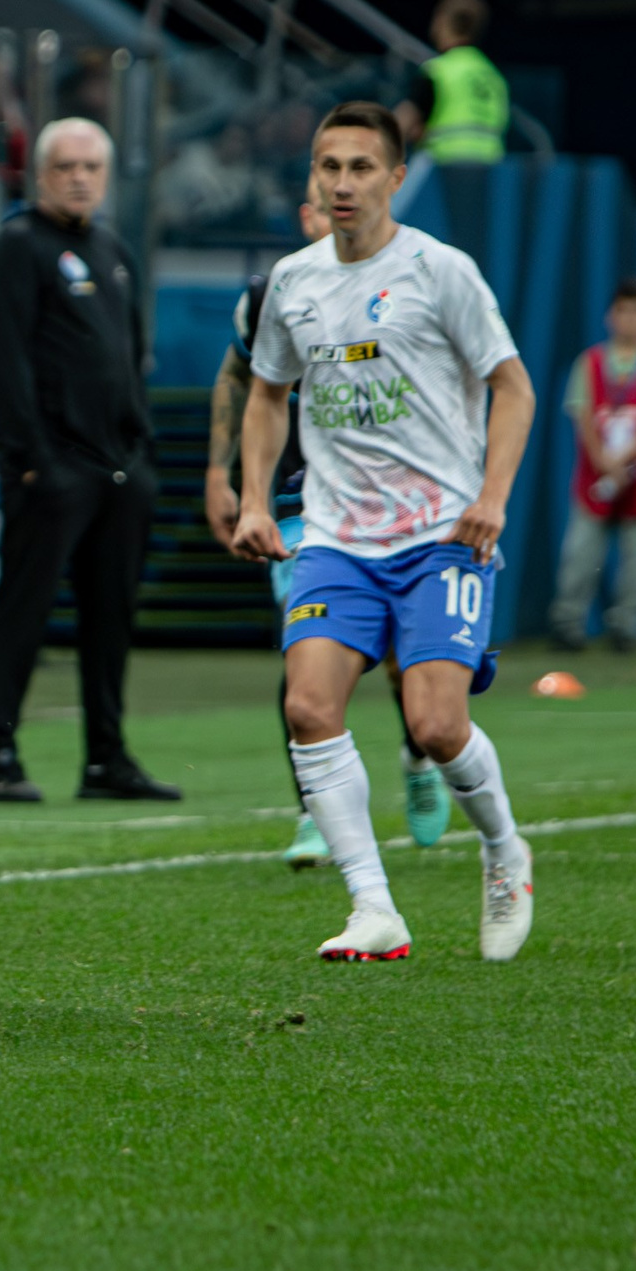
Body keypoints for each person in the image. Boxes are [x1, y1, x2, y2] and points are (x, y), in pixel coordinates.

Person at [231, 101, 538, 963]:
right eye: (328, 166)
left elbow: (513, 388)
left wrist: (493, 496)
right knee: (307, 705)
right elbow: (266, 393)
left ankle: (504, 849)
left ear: (396, 178)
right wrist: (255, 499)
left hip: (443, 533)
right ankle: (375, 906)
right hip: (334, 536)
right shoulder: (293, 280)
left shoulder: (442, 271)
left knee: (437, 725)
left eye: (361, 167)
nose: (342, 183)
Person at [208, 201, 451, 867]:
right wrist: (220, 476)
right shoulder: (271, 295)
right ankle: (315, 808)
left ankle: (417, 754)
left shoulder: (410, 286)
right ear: (307, 210)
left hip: (395, 504)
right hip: (302, 506)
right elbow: (236, 377)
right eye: (325, 188)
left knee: (406, 655)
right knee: (307, 655)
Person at [0, 120, 179, 805]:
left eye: (92, 165)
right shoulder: (17, 246)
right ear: (40, 173)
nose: (80, 176)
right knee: (23, 611)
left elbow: (132, 355)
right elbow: (9, 360)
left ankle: (107, 758)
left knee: (111, 616)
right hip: (52, 466)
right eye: (65, 165)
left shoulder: (113, 248)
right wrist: (35, 457)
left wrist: (140, 449)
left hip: (119, 467)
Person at [551, 277, 636, 652]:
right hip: (597, 474)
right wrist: (602, 460)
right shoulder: (590, 362)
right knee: (580, 553)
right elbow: (583, 415)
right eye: (623, 311)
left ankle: (625, 625)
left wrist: (626, 457)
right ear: (611, 316)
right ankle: (568, 623)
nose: (630, 320)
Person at [396, 0, 508, 165]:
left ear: (441, 20)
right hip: (489, 170)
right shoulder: (493, 76)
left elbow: (402, 124)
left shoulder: (439, 70)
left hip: (445, 168)